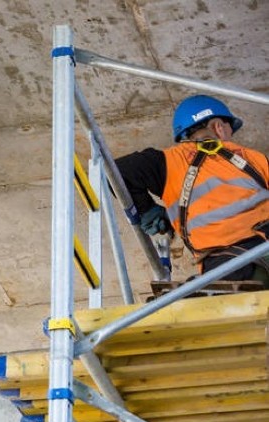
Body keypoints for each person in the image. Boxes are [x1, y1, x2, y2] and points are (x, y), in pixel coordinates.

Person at [115, 94, 269, 285]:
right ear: (218, 127)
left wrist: (147, 210)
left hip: (224, 269)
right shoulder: (254, 159)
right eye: (230, 129)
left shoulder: (170, 162)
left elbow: (116, 172)